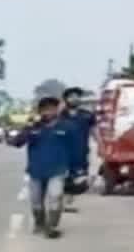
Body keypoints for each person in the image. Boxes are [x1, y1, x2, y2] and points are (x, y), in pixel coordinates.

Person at [9, 96, 73, 238]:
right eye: (45, 109)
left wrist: (75, 169)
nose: (48, 112)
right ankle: (39, 223)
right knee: (36, 202)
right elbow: (16, 142)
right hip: (36, 171)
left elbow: (75, 148)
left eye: (51, 109)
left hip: (57, 170)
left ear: (57, 110)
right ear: (40, 111)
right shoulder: (34, 128)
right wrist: (28, 127)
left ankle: (52, 226)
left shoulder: (66, 127)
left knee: (55, 197)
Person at [60, 87, 97, 210]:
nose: (74, 98)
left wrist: (101, 146)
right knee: (61, 178)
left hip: (80, 153)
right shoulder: (60, 116)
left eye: (77, 96)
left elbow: (95, 132)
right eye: (71, 96)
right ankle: (60, 202)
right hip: (62, 153)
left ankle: (67, 199)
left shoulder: (87, 115)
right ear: (66, 99)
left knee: (79, 181)